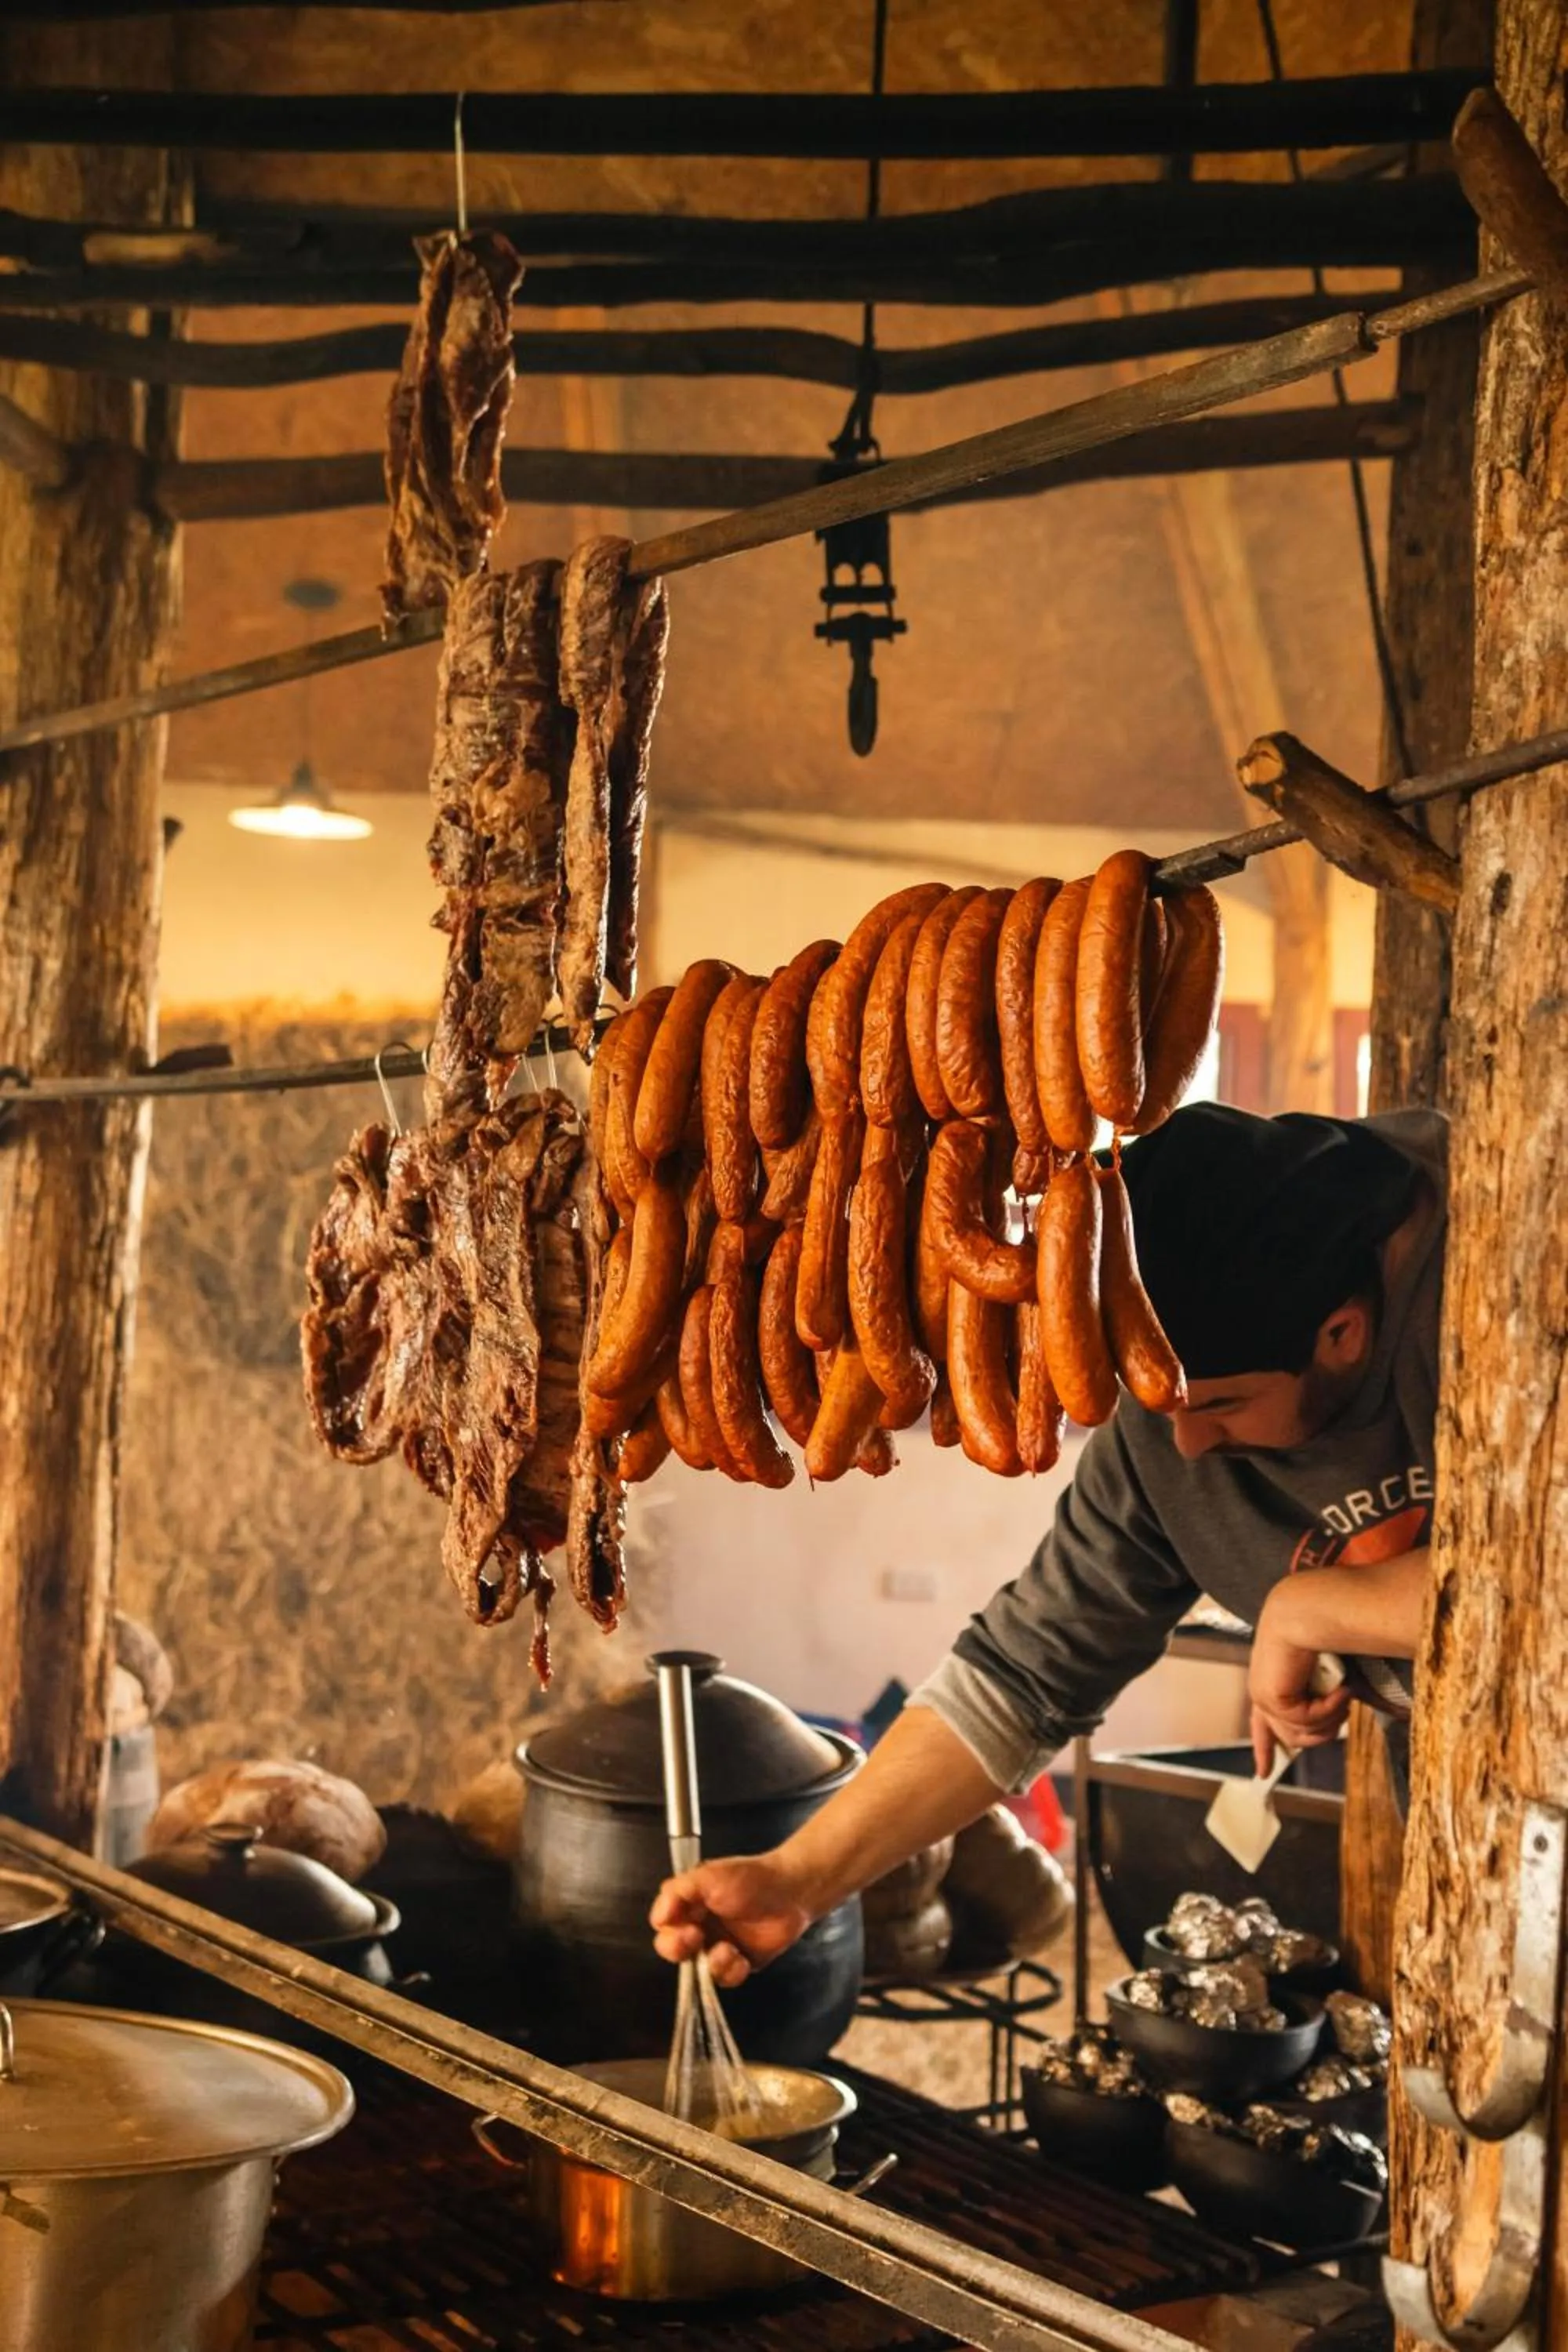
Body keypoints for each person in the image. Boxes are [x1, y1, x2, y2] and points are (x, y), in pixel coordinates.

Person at [651, 1101, 1443, 1990]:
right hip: (1457, 1809)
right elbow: (1019, 1681)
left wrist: (1304, 1609)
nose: (1185, 1447)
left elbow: (1537, 1587)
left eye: (1216, 1408)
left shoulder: (1467, 1297)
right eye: (1159, 1410)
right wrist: (796, 1881)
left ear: (1342, 1334)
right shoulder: (1165, 1424)